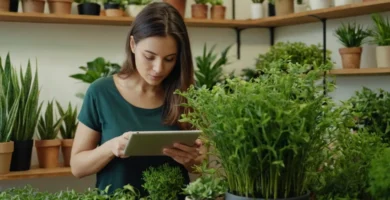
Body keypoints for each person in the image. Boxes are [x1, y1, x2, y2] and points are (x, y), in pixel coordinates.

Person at [70, 2, 206, 198]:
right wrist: (111, 147)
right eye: (149, 57)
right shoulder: (101, 92)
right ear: (133, 45)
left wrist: (191, 160)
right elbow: (77, 167)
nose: (159, 68)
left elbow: (200, 165)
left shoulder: (187, 94)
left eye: (169, 59)